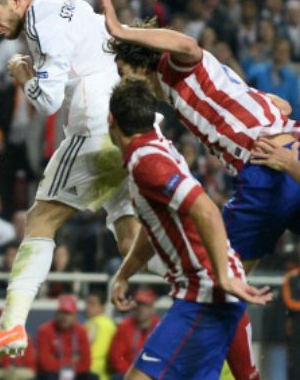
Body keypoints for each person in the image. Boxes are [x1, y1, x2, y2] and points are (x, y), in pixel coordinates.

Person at [99, 0, 299, 379]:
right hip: (289, 152)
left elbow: (188, 44)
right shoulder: (188, 94)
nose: (124, 83)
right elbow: (268, 105)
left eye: (124, 72)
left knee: (221, 280)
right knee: (228, 280)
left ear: (142, 62)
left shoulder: (174, 68)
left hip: (266, 176)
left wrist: (121, 31)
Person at [0, 0, 139, 365]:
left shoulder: (39, 21)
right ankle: (208, 287)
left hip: (95, 125)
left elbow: (48, 102)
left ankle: (10, 325)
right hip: (128, 121)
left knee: (40, 219)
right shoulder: (63, 4)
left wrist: (24, 74)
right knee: (132, 239)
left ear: (14, 0)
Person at [106, 79, 271, 380]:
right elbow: (154, 226)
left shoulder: (147, 163)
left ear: (110, 121)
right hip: (209, 291)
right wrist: (124, 274)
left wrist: (222, 276)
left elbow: (205, 209)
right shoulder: (152, 147)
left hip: (204, 293)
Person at [35, 294, 94, 380]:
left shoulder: (81, 331)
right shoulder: (45, 330)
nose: (63, 317)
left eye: (68, 314)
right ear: (56, 314)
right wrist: (72, 362)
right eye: (61, 313)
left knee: (92, 377)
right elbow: (45, 363)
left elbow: (86, 363)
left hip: (75, 373)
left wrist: (58, 361)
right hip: (52, 374)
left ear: (75, 316)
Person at [107, 288, 160, 379]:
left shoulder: (160, 327)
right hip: (128, 374)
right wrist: (134, 375)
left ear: (152, 308)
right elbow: (116, 357)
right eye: (138, 305)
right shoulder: (124, 327)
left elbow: (165, 358)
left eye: (145, 306)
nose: (141, 309)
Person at [85, 291, 116, 380]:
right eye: (87, 303)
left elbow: (96, 354)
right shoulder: (110, 324)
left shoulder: (97, 324)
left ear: (102, 307)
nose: (88, 307)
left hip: (94, 373)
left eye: (92, 304)